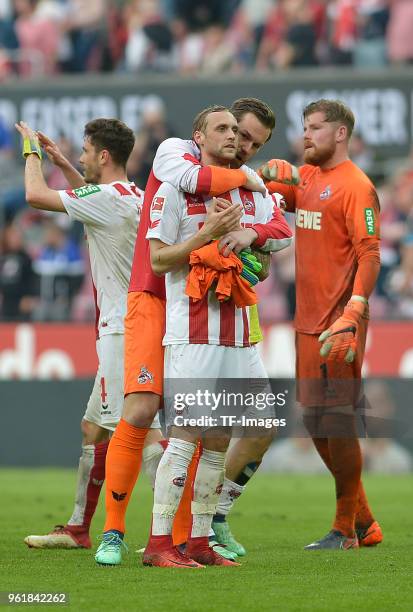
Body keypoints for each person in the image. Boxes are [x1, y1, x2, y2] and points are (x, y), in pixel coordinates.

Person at [96, 97, 293, 566]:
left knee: (225, 435)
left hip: (239, 330)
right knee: (184, 433)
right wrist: (207, 237)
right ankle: (158, 542)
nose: (235, 140)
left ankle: (202, 538)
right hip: (191, 330)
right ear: (199, 138)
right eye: (225, 129)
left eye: (242, 135)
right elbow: (159, 259)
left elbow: (281, 232)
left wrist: (249, 238)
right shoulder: (172, 186)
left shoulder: (252, 191)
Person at [17, 118, 163, 550]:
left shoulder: (103, 198)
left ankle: (182, 530)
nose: (79, 156)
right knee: (93, 430)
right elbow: (89, 195)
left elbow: (34, 196)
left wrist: (32, 151)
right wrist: (63, 161)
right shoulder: (131, 194)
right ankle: (78, 529)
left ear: (103, 155)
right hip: (132, 325)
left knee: (142, 430)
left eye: (83, 150)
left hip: (123, 329)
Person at [259, 98, 383, 549]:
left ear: (341, 134)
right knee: (313, 420)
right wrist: (268, 175)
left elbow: (370, 254)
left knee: (338, 419)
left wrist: (354, 311)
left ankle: (345, 528)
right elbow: (279, 193)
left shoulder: (357, 187)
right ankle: (365, 519)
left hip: (338, 324)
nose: (305, 135)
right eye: (304, 127)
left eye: (314, 128)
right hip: (306, 320)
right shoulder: (310, 177)